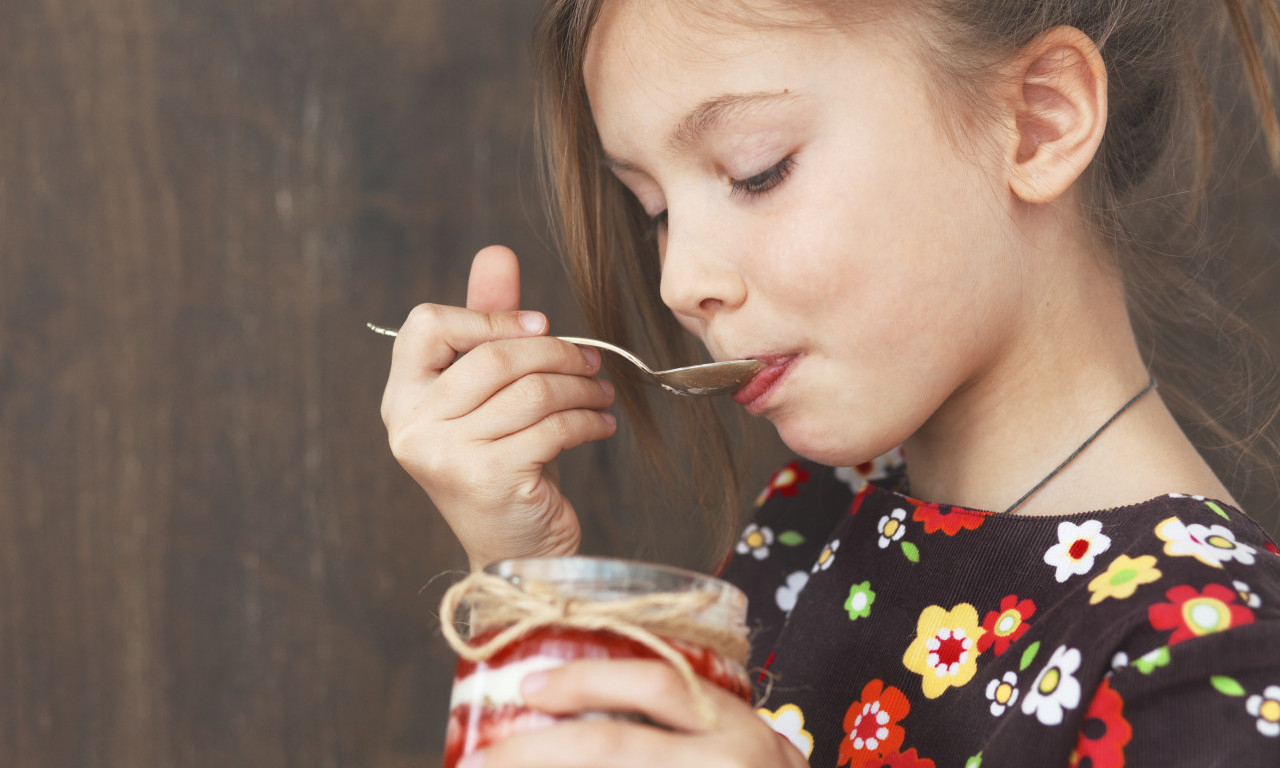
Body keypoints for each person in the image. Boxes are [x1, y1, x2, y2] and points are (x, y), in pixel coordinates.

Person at [379, 0, 1280, 765]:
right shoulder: (812, 520)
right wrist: (526, 573)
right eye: (654, 211)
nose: (679, 281)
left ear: (1040, 120)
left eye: (756, 170)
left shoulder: (1212, 667)